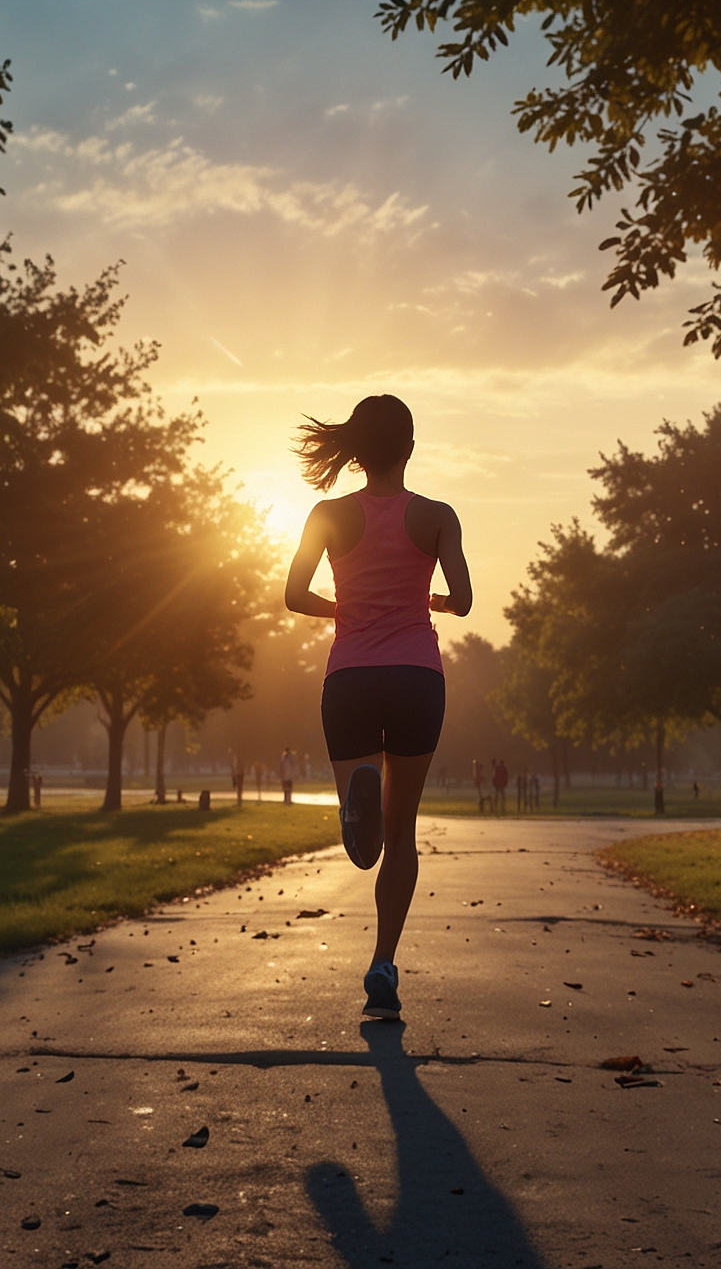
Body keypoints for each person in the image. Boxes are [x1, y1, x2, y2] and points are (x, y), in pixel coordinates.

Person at [285, 394, 473, 1021]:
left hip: (352, 678)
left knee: (364, 837)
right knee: (401, 833)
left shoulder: (327, 514)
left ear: (357, 451)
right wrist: (434, 604)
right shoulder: (437, 515)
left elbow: (293, 594)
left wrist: (342, 609)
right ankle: (383, 963)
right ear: (411, 448)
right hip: (418, 676)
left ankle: (354, 806)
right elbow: (465, 599)